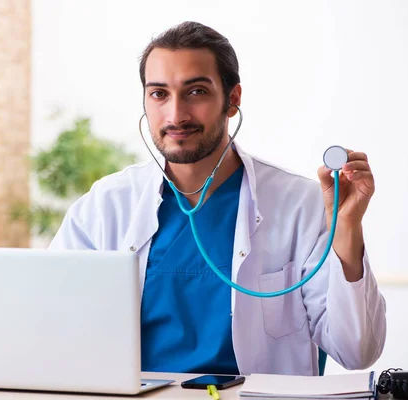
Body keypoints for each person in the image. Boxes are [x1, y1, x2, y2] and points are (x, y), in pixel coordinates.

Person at [49, 21, 386, 376]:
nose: (176, 115)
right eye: (159, 94)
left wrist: (347, 227)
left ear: (232, 99)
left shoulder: (299, 204)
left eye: (196, 92)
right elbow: (50, 322)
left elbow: (357, 351)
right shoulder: (106, 206)